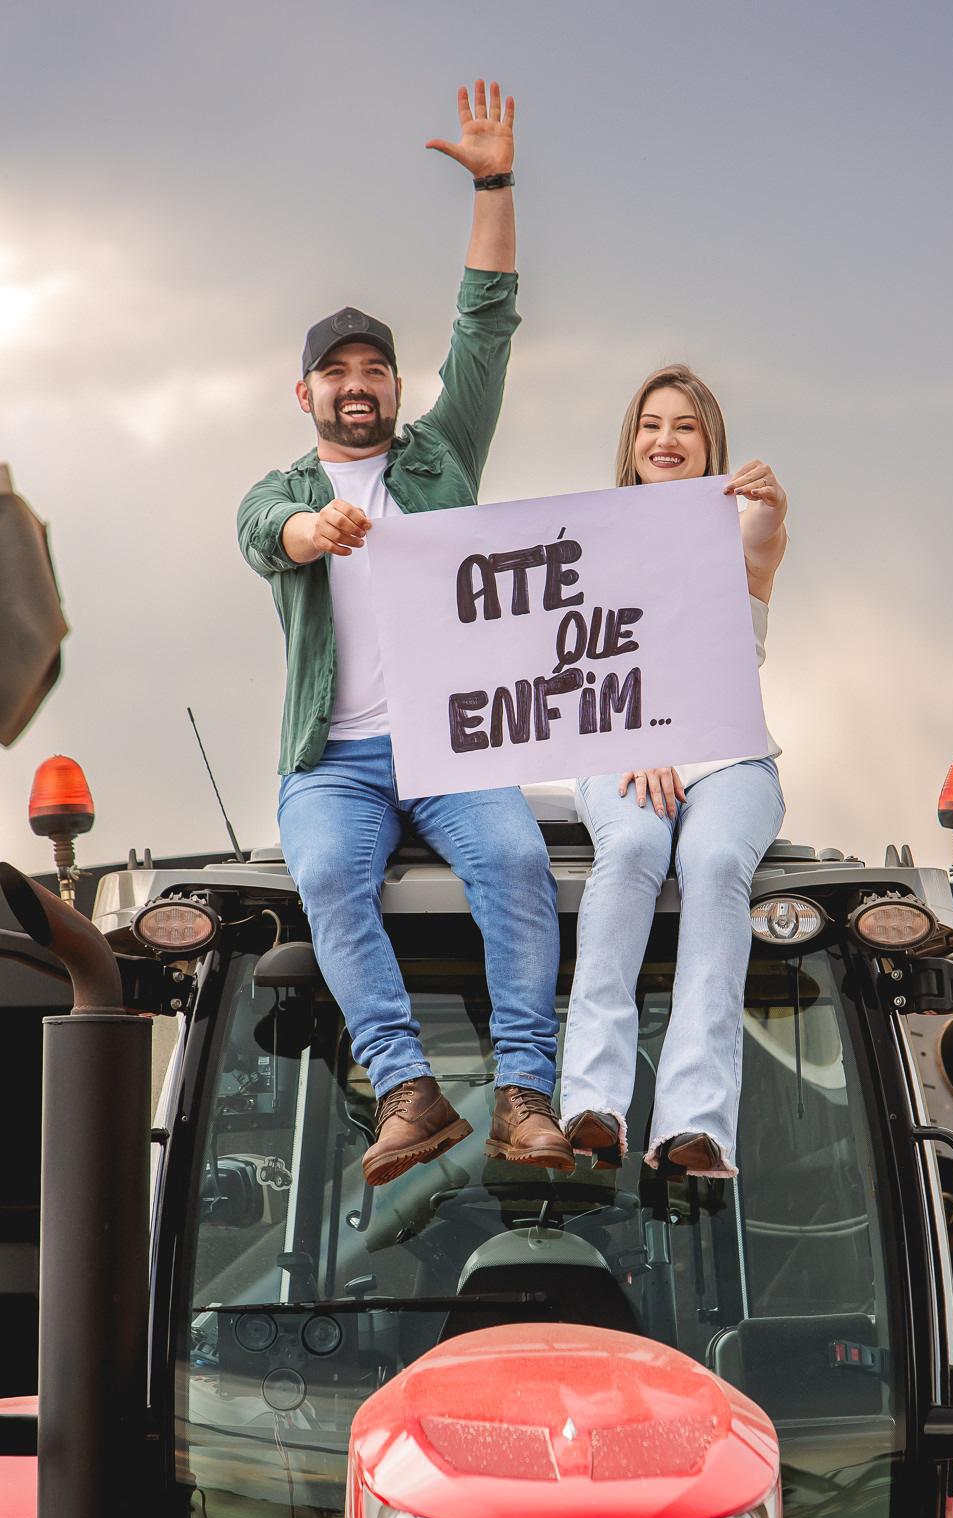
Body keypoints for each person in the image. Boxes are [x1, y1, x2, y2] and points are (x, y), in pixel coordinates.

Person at [238, 82, 573, 1186]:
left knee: (522, 860)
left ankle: (526, 1091)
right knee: (327, 872)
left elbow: (487, 324)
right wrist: (309, 528)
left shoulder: (441, 459)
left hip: (451, 747)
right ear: (306, 393)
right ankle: (407, 1088)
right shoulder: (281, 490)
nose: (356, 384)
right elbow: (261, 533)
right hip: (333, 761)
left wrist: (493, 182)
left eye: (372, 366)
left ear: (392, 383)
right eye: (334, 371)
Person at [558, 364, 787, 1179]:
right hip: (617, 747)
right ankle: (592, 1102)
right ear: (631, 442)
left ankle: (694, 1125)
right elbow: (567, 663)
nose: (666, 439)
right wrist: (636, 735)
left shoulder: (743, 530)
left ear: (709, 443)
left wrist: (766, 506)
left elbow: (762, 540)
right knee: (630, 854)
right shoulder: (586, 538)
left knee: (716, 864)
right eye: (652, 424)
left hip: (728, 760)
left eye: (685, 426)